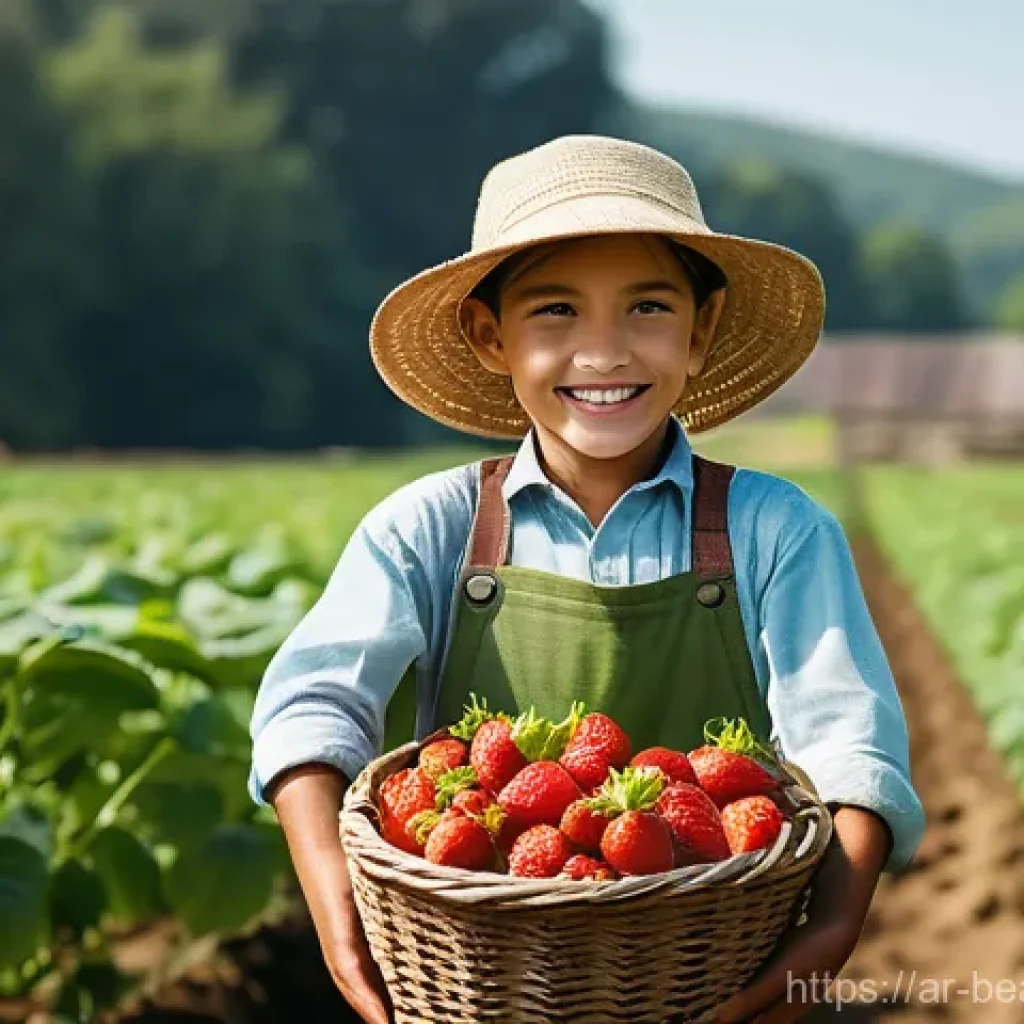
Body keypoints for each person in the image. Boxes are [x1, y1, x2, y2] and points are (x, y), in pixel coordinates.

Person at [248, 135, 925, 1024]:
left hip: (709, 967)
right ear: (491, 336)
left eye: (647, 307)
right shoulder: (433, 529)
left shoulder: (774, 531)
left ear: (702, 326)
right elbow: (310, 704)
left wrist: (833, 924)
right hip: (487, 977)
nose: (603, 352)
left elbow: (850, 743)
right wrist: (335, 896)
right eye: (556, 311)